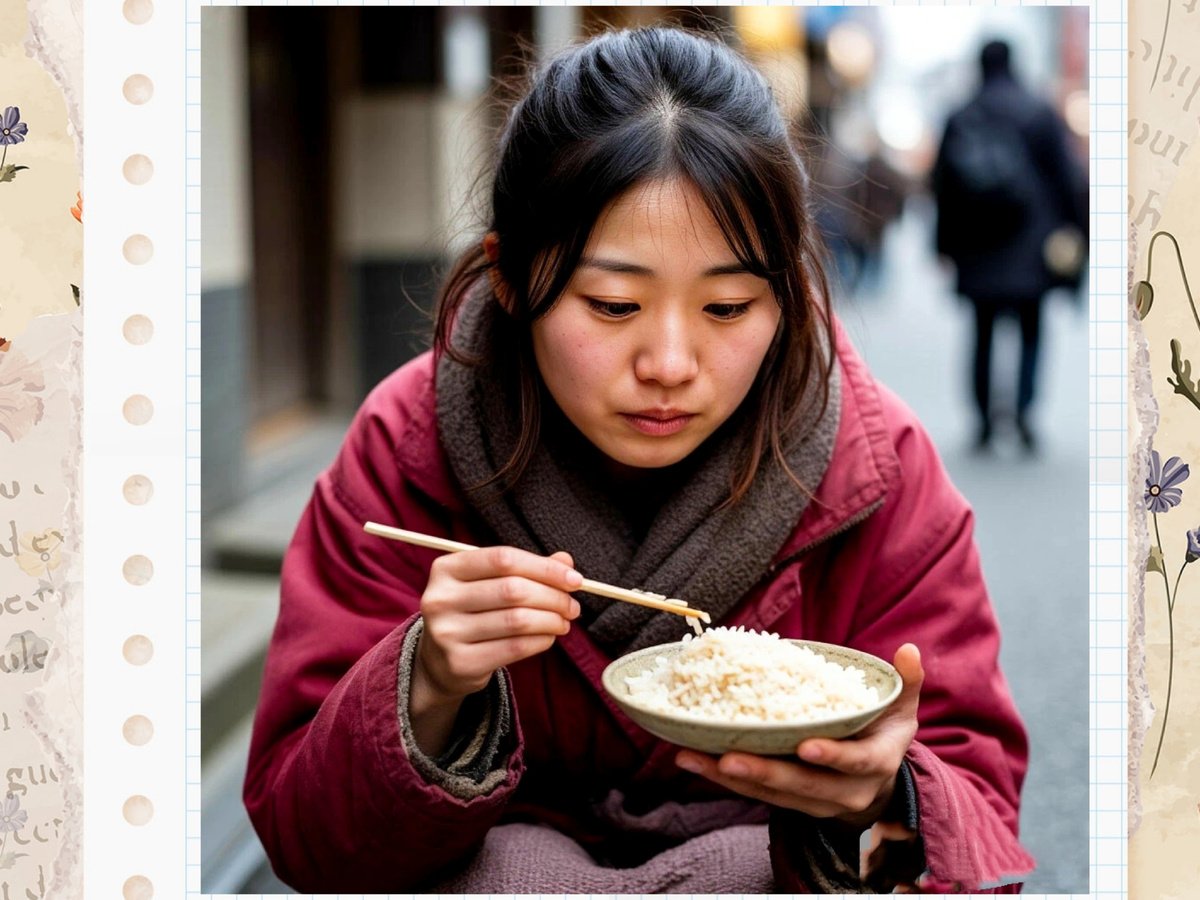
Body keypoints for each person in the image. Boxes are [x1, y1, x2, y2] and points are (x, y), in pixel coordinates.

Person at [244, 27, 1034, 893]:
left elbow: (984, 820)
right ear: (509, 278)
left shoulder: (872, 468)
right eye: (615, 304)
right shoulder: (410, 446)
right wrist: (426, 685)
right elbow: (304, 844)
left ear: (790, 290)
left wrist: (883, 801)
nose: (669, 363)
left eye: (728, 306)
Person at [933, 39, 1087, 452]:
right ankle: (1022, 412)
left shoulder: (961, 115)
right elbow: (1065, 178)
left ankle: (984, 419)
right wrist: (1075, 233)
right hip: (1031, 242)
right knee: (1032, 331)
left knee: (981, 332)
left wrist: (942, 246)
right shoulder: (1038, 112)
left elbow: (942, 189)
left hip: (976, 245)